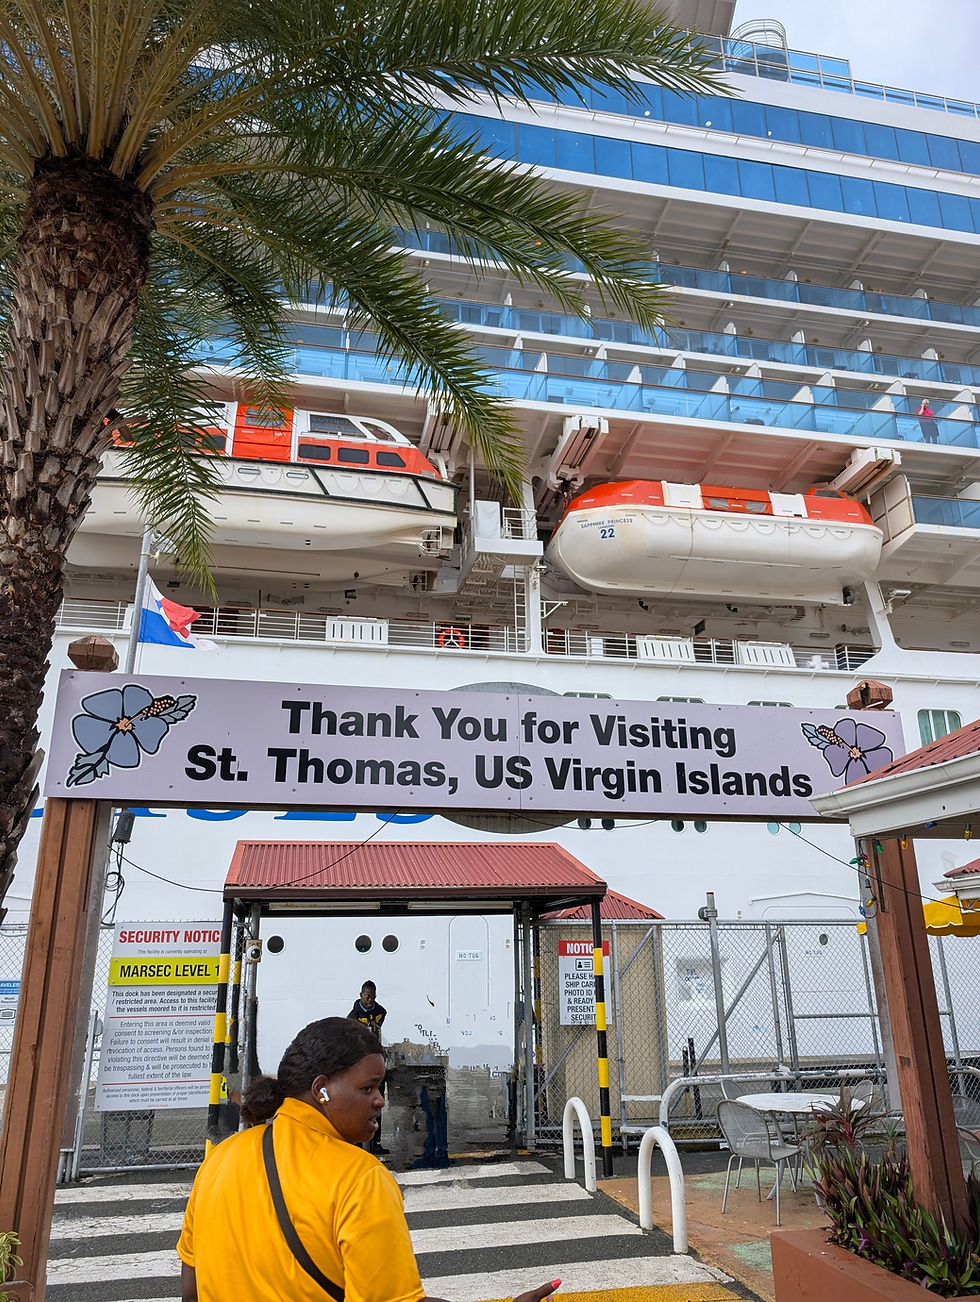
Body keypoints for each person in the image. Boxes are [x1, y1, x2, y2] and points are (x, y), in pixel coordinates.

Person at [177, 1016, 559, 1302]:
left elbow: (191, 1289)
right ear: (321, 1090)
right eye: (368, 1088)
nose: (380, 1101)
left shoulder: (219, 1161)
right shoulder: (359, 1178)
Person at [348, 981, 389, 1154]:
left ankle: (375, 1142)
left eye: (373, 997)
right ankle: (358, 1143)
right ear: (361, 995)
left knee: (376, 1104)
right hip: (361, 1067)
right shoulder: (353, 1018)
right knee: (361, 1105)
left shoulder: (379, 1012)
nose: (370, 1000)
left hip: (375, 1065)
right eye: (367, 997)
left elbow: (379, 1025)